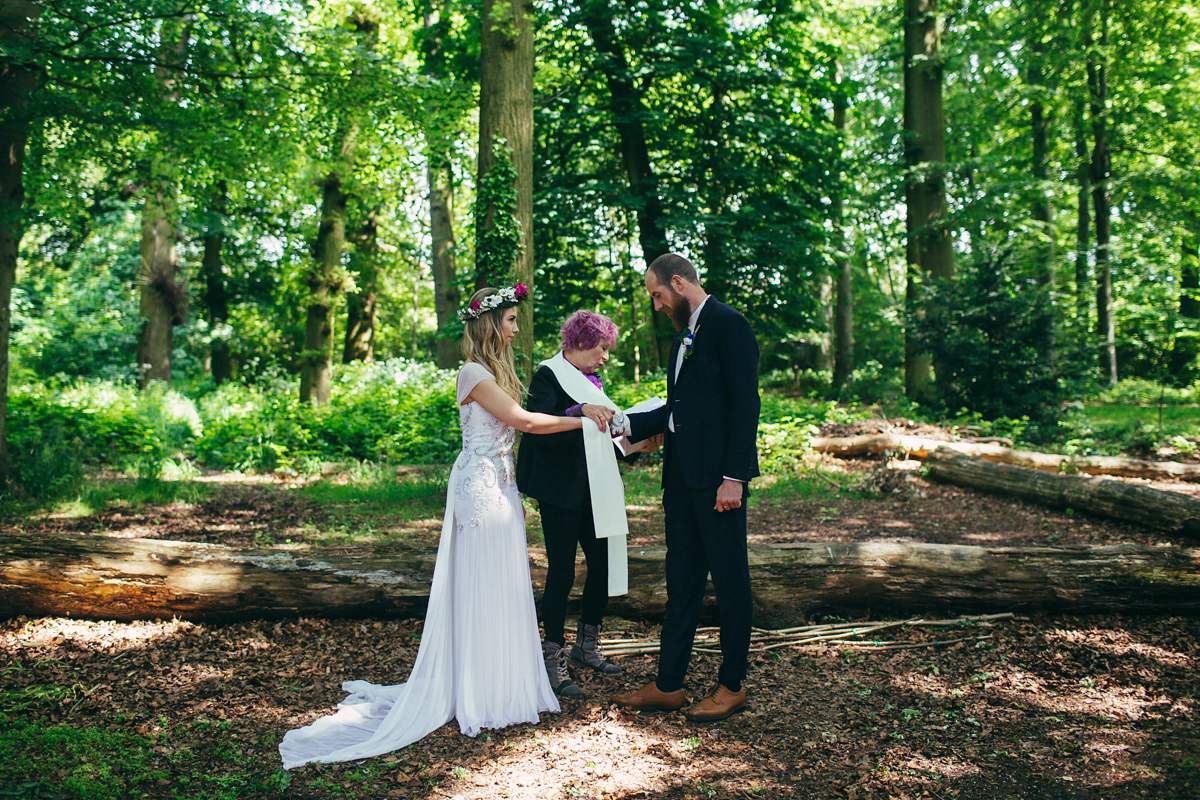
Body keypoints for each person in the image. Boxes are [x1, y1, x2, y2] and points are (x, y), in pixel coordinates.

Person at [279, 285, 609, 769]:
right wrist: (583, 418)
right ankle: (476, 686)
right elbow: (526, 423)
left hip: (501, 483)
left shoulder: (499, 369)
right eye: (512, 320)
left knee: (502, 580)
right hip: (478, 488)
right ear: (492, 323)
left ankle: (500, 679)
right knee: (481, 579)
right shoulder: (473, 372)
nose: (518, 328)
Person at [611, 253, 760, 722]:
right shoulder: (683, 338)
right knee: (682, 583)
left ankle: (731, 685)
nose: (656, 304)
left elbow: (745, 406)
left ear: (679, 282)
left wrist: (735, 477)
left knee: (731, 583)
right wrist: (617, 424)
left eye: (657, 294)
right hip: (679, 483)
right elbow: (677, 408)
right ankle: (669, 683)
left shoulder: (729, 324)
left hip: (718, 484)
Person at [517, 310, 643, 697]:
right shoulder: (548, 375)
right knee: (562, 573)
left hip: (595, 489)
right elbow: (539, 425)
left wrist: (636, 444)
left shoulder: (593, 381)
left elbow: (600, 439)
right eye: (603, 348)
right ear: (582, 341)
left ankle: (586, 646)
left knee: (603, 567)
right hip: (559, 491)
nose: (606, 356)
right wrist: (579, 410)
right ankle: (552, 656)